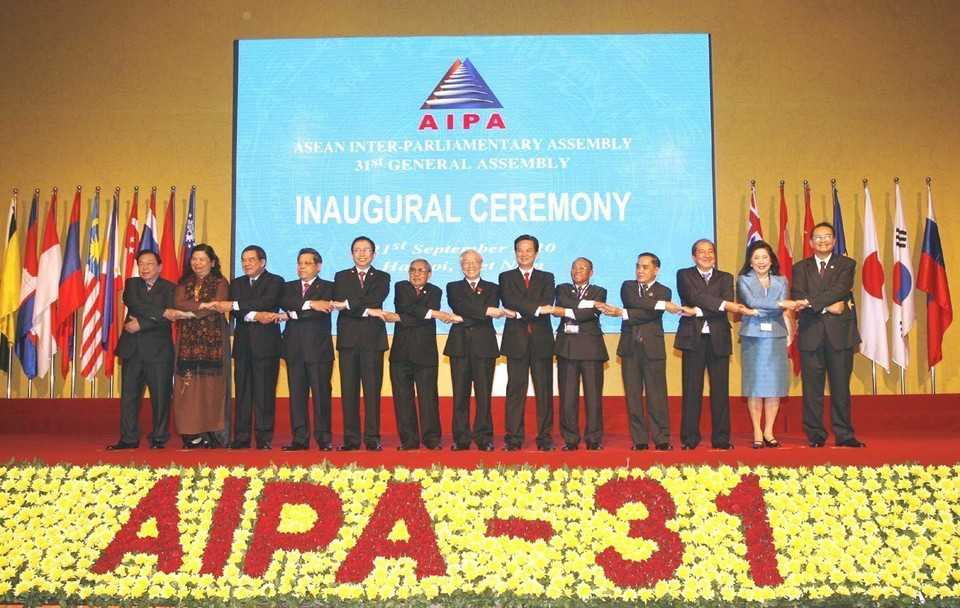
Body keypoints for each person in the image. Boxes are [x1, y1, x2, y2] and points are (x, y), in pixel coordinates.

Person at [790, 222, 865, 448]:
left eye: (827, 237)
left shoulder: (846, 264)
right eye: (818, 237)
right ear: (811, 242)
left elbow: (840, 290)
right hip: (811, 334)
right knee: (812, 389)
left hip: (840, 334)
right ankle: (815, 434)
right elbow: (798, 294)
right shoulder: (800, 267)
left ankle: (844, 434)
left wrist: (810, 302)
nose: (823, 240)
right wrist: (825, 306)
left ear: (834, 241)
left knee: (841, 387)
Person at [675, 238, 754, 450]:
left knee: (720, 391)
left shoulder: (726, 278)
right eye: (702, 252)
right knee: (692, 390)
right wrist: (723, 304)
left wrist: (699, 310)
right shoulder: (684, 274)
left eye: (711, 251)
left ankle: (721, 439)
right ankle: (689, 438)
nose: (707, 255)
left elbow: (713, 303)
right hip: (693, 339)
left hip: (718, 339)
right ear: (694, 257)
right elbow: (693, 296)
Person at [606, 252, 688, 451]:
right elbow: (635, 303)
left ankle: (661, 438)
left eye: (645, 267)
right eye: (638, 266)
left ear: (656, 270)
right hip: (630, 348)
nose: (640, 271)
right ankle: (640, 439)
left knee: (657, 395)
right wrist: (661, 305)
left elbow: (649, 314)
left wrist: (623, 313)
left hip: (653, 349)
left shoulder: (664, 291)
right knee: (633, 395)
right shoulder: (628, 286)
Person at [108, 250, 189, 450]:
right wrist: (162, 312)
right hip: (132, 349)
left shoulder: (171, 288)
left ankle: (159, 437)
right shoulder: (132, 284)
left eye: (149, 264)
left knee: (160, 396)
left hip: (159, 351)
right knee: (129, 397)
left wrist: (141, 324)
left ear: (159, 267)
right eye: (141, 264)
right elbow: (134, 304)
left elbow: (171, 317)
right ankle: (128, 438)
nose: (145, 268)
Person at [205, 245, 284, 450]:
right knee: (243, 394)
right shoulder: (237, 283)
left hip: (267, 347)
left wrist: (236, 305)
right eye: (243, 260)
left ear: (262, 262)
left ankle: (263, 437)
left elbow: (267, 301)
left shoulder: (275, 281)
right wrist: (255, 315)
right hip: (242, 346)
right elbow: (236, 313)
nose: (246, 264)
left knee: (264, 394)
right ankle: (241, 436)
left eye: (250, 260)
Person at [389, 259, 460, 450]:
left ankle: (431, 438)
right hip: (401, 353)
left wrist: (402, 318)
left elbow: (409, 314)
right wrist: (434, 314)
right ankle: (409, 439)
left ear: (430, 274)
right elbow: (407, 307)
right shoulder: (401, 287)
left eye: (421, 270)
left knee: (429, 398)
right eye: (412, 269)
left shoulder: (435, 291)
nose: (416, 273)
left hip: (425, 353)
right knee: (403, 398)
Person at [499, 234, 559, 451]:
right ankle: (514, 438)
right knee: (515, 391)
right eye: (520, 250)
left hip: (541, 342)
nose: (524, 254)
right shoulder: (506, 277)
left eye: (528, 250)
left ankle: (545, 438)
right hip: (516, 342)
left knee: (544, 391)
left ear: (536, 253)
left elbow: (547, 302)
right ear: (515, 253)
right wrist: (535, 310)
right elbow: (509, 300)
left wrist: (519, 312)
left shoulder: (547, 277)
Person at [332, 236, 391, 451]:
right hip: (348, 340)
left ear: (374, 254)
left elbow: (375, 299)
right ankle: (351, 439)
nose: (362, 253)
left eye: (366, 250)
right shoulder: (340, 277)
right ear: (351, 254)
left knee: (372, 391)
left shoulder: (383, 277)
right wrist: (365, 309)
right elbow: (339, 301)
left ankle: (372, 438)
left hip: (373, 340)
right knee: (349, 391)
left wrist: (349, 304)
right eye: (357, 249)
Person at [275, 248, 336, 451]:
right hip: (294, 349)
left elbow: (320, 312)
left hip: (318, 350)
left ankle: (323, 438)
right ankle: (300, 438)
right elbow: (285, 303)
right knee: (297, 397)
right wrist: (310, 304)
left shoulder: (328, 287)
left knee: (321, 395)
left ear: (318, 266)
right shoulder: (288, 287)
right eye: (300, 262)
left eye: (307, 263)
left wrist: (294, 313)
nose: (302, 267)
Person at [172, 244, 231, 449]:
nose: (197, 263)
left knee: (211, 387)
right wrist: (201, 306)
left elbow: (217, 304)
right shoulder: (184, 282)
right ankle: (192, 434)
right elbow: (179, 302)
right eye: (194, 259)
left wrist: (191, 312)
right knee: (188, 387)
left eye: (202, 259)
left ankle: (212, 434)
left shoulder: (220, 282)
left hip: (213, 343)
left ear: (212, 262)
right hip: (187, 343)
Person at [737, 241, 795, 449]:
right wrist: (779, 304)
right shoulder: (743, 280)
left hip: (776, 337)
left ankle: (769, 431)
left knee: (774, 386)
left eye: (764, 257)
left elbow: (768, 310)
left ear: (771, 261)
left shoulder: (782, 280)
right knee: (755, 386)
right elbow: (750, 302)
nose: (761, 261)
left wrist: (758, 311)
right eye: (756, 258)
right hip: (753, 337)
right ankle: (757, 432)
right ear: (750, 262)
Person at [444, 249, 502, 451]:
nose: (470, 266)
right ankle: (461, 438)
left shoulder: (493, 288)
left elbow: (468, 311)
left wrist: (464, 316)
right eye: (466, 263)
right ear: (461, 266)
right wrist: (485, 310)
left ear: (481, 264)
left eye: (474, 262)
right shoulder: (453, 287)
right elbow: (460, 306)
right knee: (460, 395)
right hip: (459, 346)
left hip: (484, 346)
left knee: (483, 395)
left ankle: (484, 437)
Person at [552, 257, 608, 450]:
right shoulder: (562, 288)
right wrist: (585, 305)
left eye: (582, 268)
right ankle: (570, 439)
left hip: (592, 349)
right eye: (574, 267)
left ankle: (594, 439)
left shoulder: (599, 291)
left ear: (590, 273)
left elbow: (592, 312)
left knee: (593, 397)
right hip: (567, 348)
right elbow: (562, 302)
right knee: (568, 397)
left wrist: (567, 311)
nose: (577, 271)